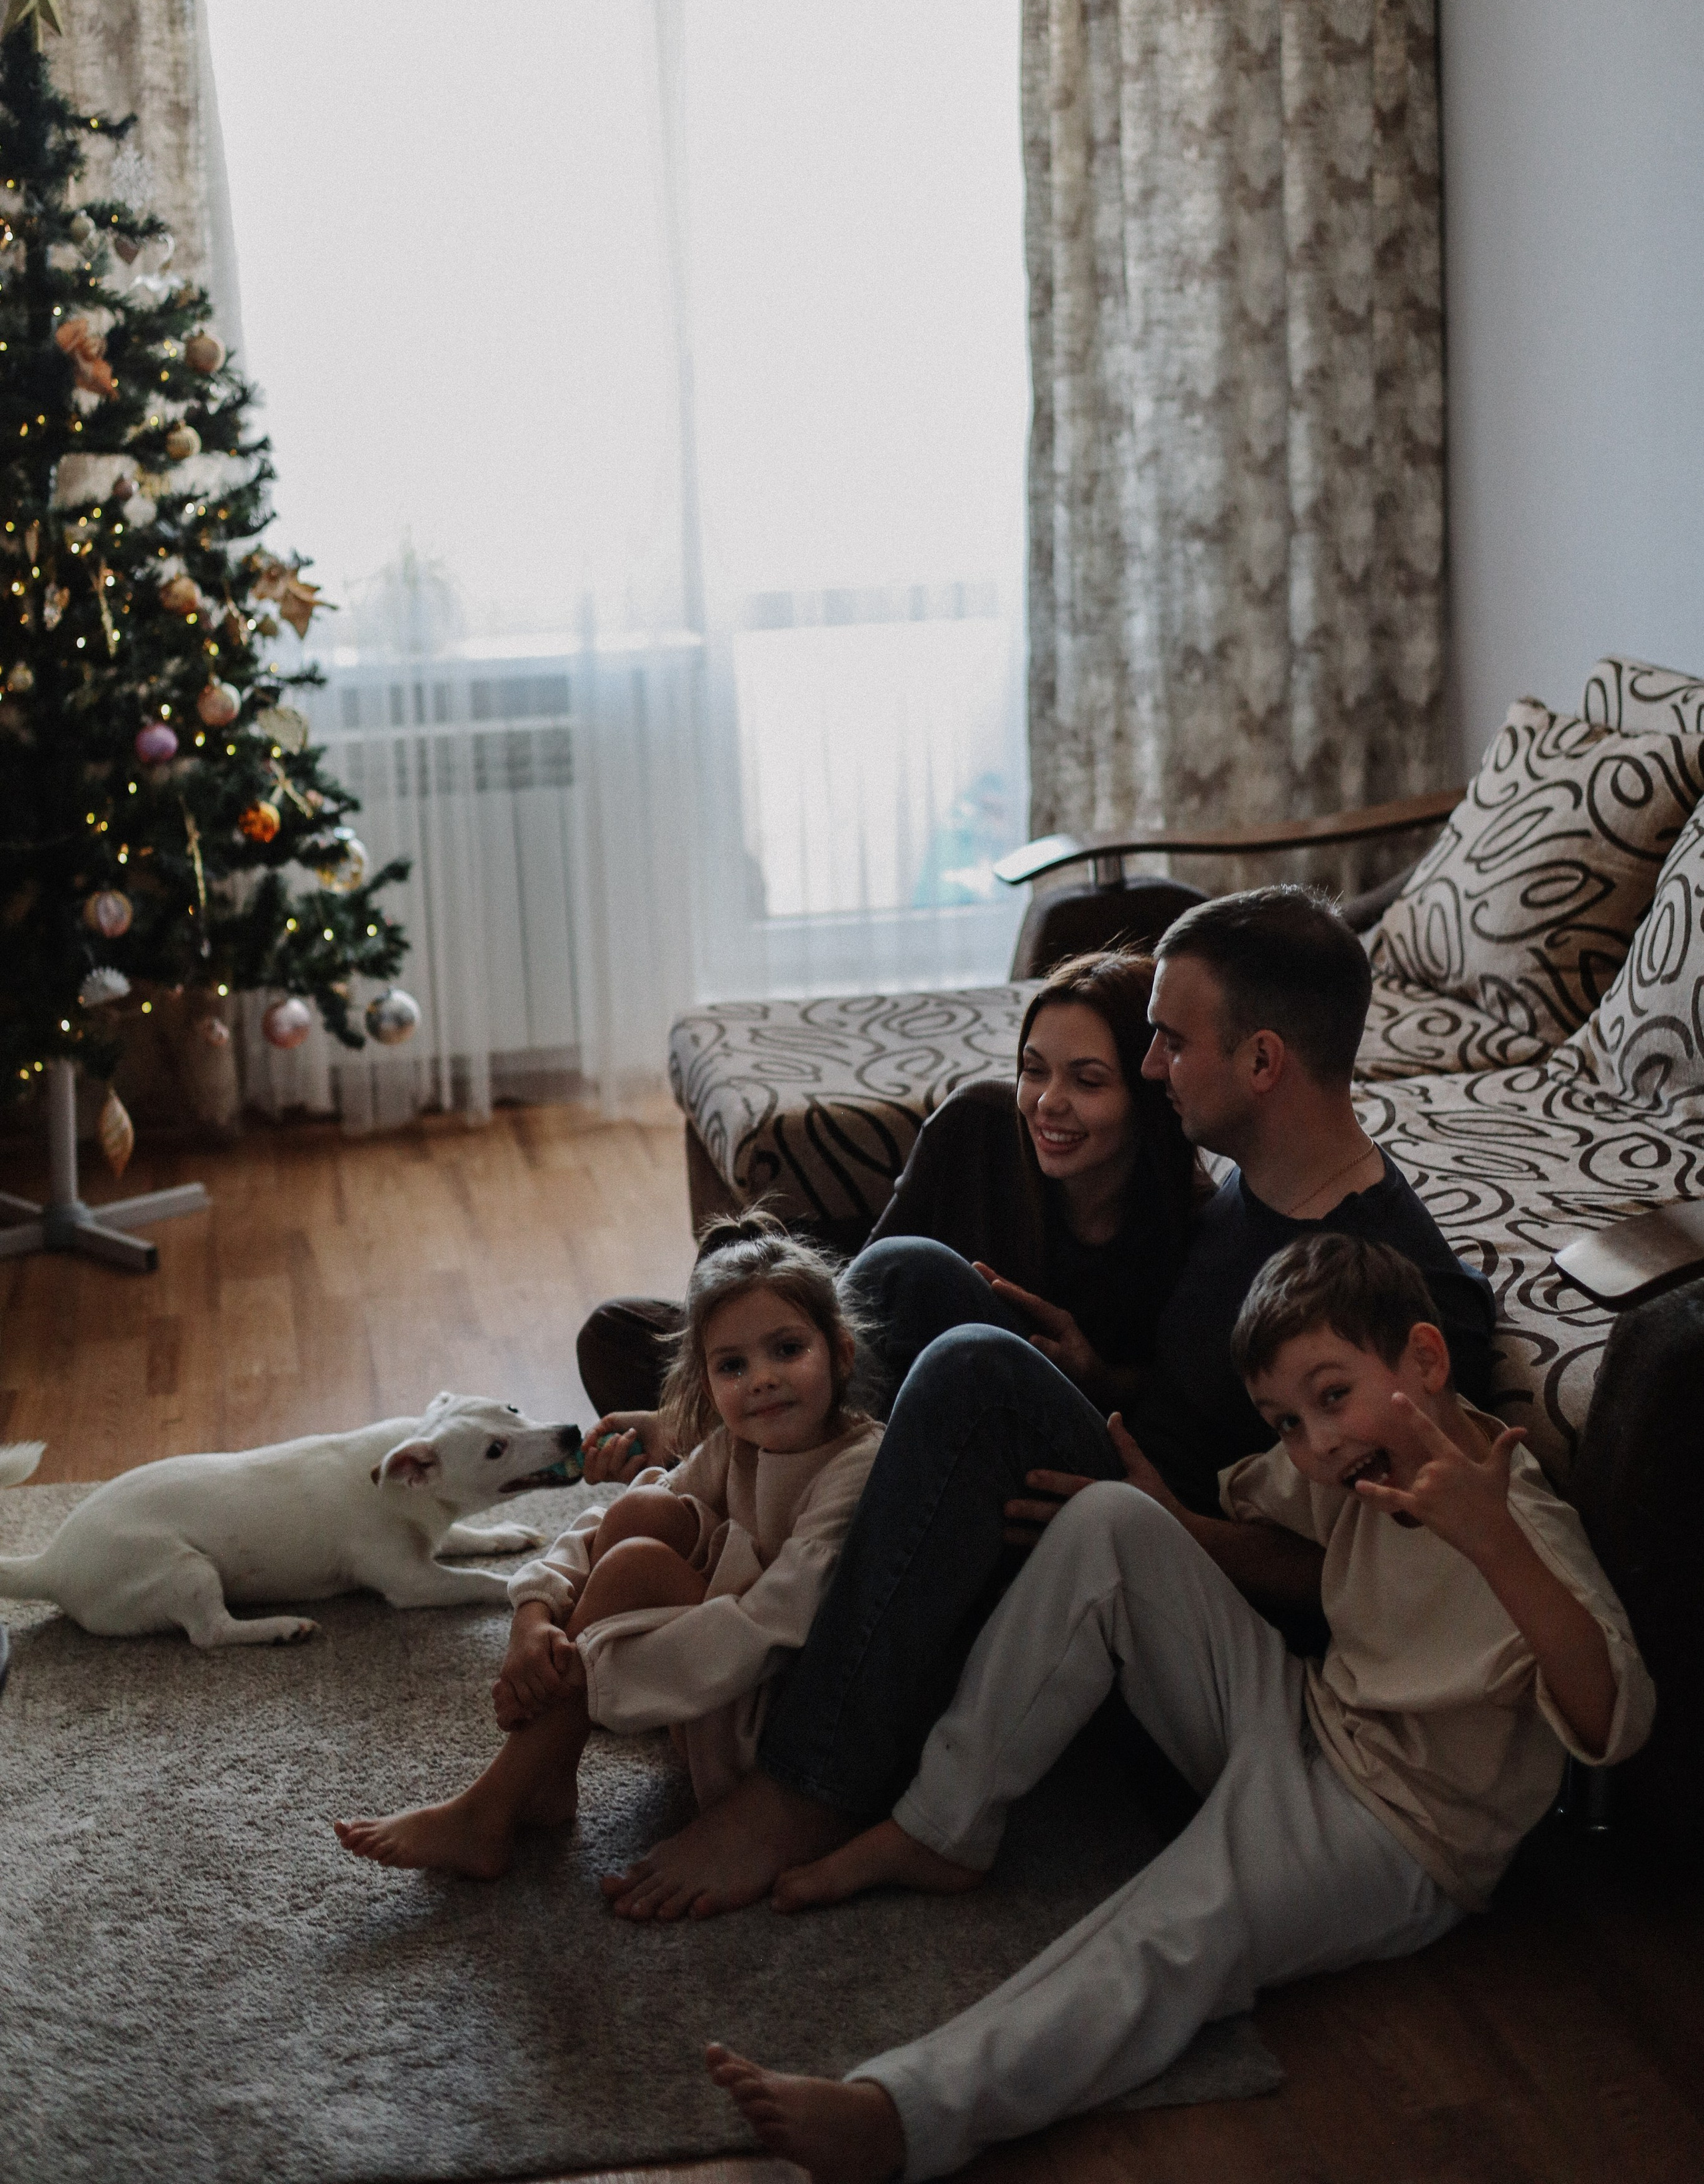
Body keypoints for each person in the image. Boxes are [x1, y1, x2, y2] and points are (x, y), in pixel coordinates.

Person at [599, 886, 1502, 1922]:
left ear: (1261, 1063)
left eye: (1169, 1042)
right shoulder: (1247, 1193)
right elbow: (1206, 1395)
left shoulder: (1407, 1302)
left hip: (1183, 1583)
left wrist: (1180, 1527)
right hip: (1129, 1479)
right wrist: (1112, 1381)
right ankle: (743, 1519)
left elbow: (1377, 1579)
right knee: (905, 1276)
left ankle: (810, 1781)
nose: (1153, 1065)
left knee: (974, 1369)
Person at [701, 1235, 1655, 2182]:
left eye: (1332, 1397)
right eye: (1286, 1421)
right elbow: (1292, 1545)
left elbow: (1612, 1716)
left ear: (1427, 1359)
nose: (1317, 1442)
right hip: (1305, 1713)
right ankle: (943, 1821)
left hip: (1400, 1831)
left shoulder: (1516, 1519)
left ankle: (904, 2114)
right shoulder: (1359, 1458)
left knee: (1169, 1931)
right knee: (1112, 1522)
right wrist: (1173, 1516)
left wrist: (1496, 1546)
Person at [332, 1219, 881, 1880]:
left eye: (787, 1349)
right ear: (705, 1388)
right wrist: (534, 1614)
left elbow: (776, 1624)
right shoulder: (735, 1445)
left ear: (843, 1353)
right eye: (733, 1365)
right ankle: (548, 1773)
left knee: (637, 1565)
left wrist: (586, 1671)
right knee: (644, 1509)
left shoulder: (856, 1463)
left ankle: (492, 1807)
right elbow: (604, 1521)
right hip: (697, 1680)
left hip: (769, 1718)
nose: (761, 1379)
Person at [577, 949, 1199, 1424]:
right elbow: (856, 1297)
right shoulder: (979, 1123)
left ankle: (723, 1449)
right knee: (624, 1331)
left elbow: (1182, 1411)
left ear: (1147, 1093)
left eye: (1087, 1082)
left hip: (988, 1424)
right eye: (1033, 1072)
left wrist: (1098, 1374)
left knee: (914, 1271)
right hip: (879, 1378)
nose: (1046, 1104)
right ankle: (736, 1443)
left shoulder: (1190, 1225)